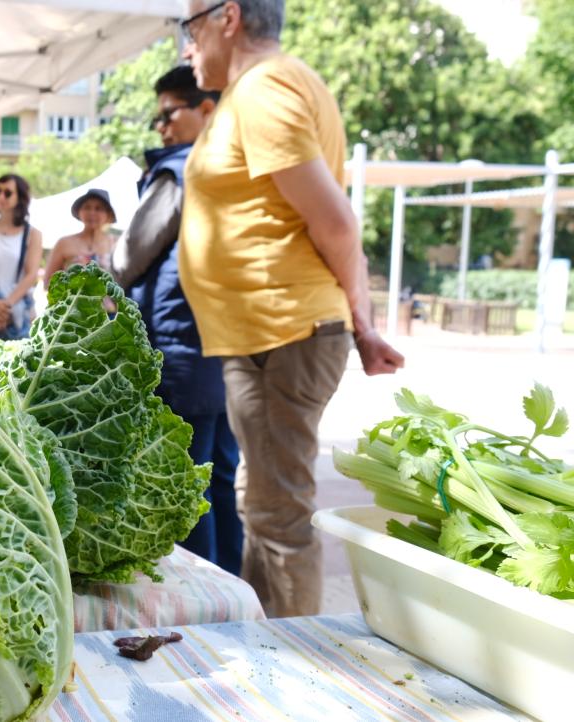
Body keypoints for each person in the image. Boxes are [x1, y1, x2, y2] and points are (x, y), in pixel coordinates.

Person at [177, 0, 404, 617]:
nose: (186, 48)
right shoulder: (265, 89)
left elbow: (334, 222)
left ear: (228, 17)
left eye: (188, 29)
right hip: (266, 336)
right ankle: (264, 648)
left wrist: (363, 324)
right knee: (267, 507)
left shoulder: (264, 89)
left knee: (279, 516)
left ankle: (292, 670)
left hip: (284, 333)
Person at [112, 65, 241, 577]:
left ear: (204, 109)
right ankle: (233, 582)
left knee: (187, 483)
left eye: (167, 114)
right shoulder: (239, 167)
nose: (160, 127)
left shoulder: (182, 170)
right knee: (221, 476)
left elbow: (129, 256)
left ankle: (206, 594)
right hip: (225, 346)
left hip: (181, 348)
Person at [0, 174, 44, 340]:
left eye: (7, 193)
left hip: (19, 308)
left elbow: (31, 275)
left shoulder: (32, 234)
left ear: (20, 196)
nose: (1, 197)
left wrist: (5, 307)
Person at [44, 189, 115, 286]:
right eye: (87, 207)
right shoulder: (64, 243)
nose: (92, 212)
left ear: (108, 214)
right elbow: (48, 282)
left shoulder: (116, 244)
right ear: (79, 212)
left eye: (98, 208)